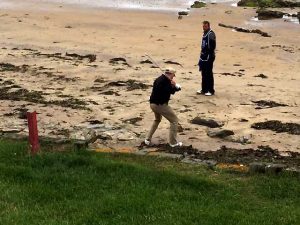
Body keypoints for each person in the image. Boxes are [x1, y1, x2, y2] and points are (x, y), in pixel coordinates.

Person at [144, 67, 182, 147]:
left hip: (153, 104)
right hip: (160, 105)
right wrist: (175, 86)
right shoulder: (165, 82)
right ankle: (173, 143)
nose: (174, 76)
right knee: (174, 120)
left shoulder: (159, 79)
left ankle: (147, 139)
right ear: (170, 74)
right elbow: (171, 91)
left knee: (157, 120)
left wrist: (175, 86)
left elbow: (170, 90)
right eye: (173, 74)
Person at [197, 21, 216, 96]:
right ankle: (204, 89)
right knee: (203, 73)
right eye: (203, 26)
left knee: (209, 74)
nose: (204, 27)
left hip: (209, 56)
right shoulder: (204, 33)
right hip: (203, 56)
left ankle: (211, 90)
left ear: (208, 26)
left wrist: (209, 54)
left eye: (205, 26)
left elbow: (212, 46)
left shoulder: (211, 34)